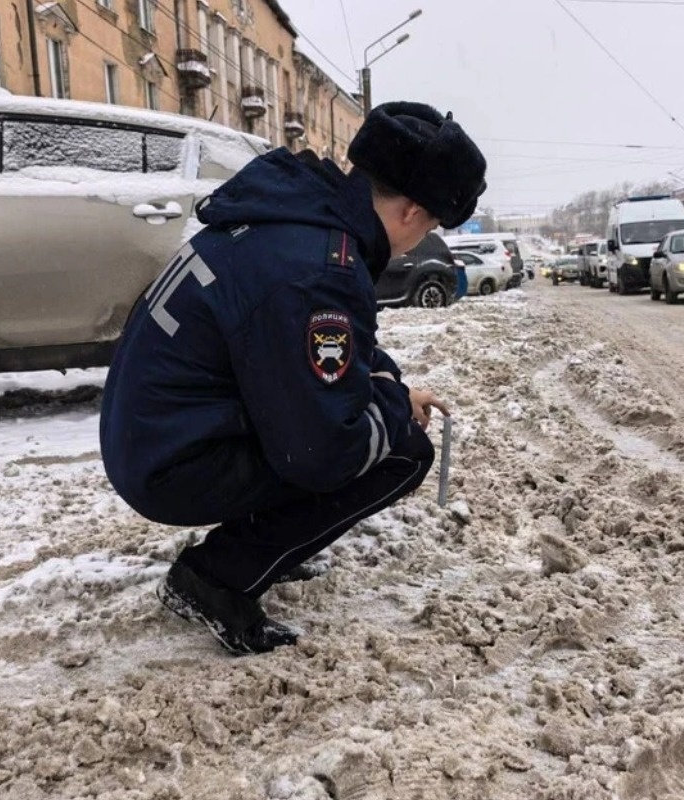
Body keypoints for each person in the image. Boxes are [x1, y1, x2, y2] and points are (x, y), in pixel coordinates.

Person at [99, 102, 487, 655]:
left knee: (349, 420)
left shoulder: (296, 219)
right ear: (411, 213)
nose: (418, 242)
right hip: (170, 461)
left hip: (154, 434)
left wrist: (391, 386)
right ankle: (217, 578)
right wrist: (395, 408)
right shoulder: (318, 268)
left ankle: (261, 545)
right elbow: (322, 450)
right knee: (402, 452)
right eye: (428, 228)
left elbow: (342, 354)